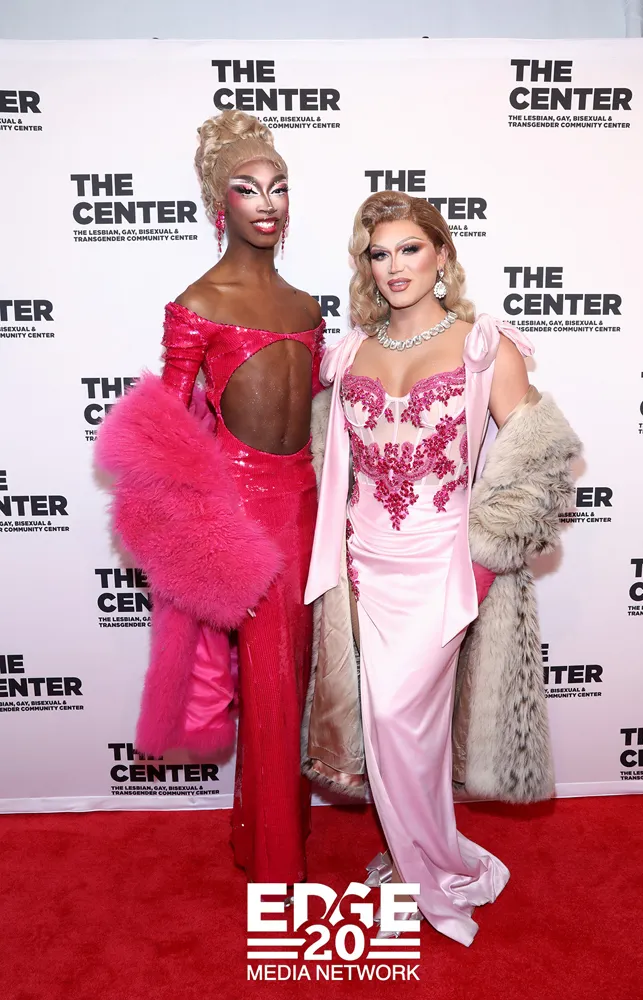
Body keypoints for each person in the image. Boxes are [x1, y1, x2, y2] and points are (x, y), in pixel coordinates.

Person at [301, 191, 581, 945]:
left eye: (410, 249)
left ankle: (435, 868)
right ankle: (415, 852)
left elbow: (539, 461)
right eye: (378, 253)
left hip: (443, 567)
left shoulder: (484, 346)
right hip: (363, 565)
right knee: (391, 726)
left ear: (442, 255)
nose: (394, 266)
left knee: (401, 717)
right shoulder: (348, 354)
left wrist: (485, 557)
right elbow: (333, 467)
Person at [95, 110, 330, 893]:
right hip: (240, 518)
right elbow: (163, 426)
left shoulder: (307, 306)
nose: (267, 202)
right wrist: (191, 532)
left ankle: (259, 833)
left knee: (288, 686)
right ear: (217, 203)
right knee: (267, 687)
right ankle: (278, 868)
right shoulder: (199, 300)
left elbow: (318, 413)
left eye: (278, 187)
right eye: (247, 188)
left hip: (306, 507)